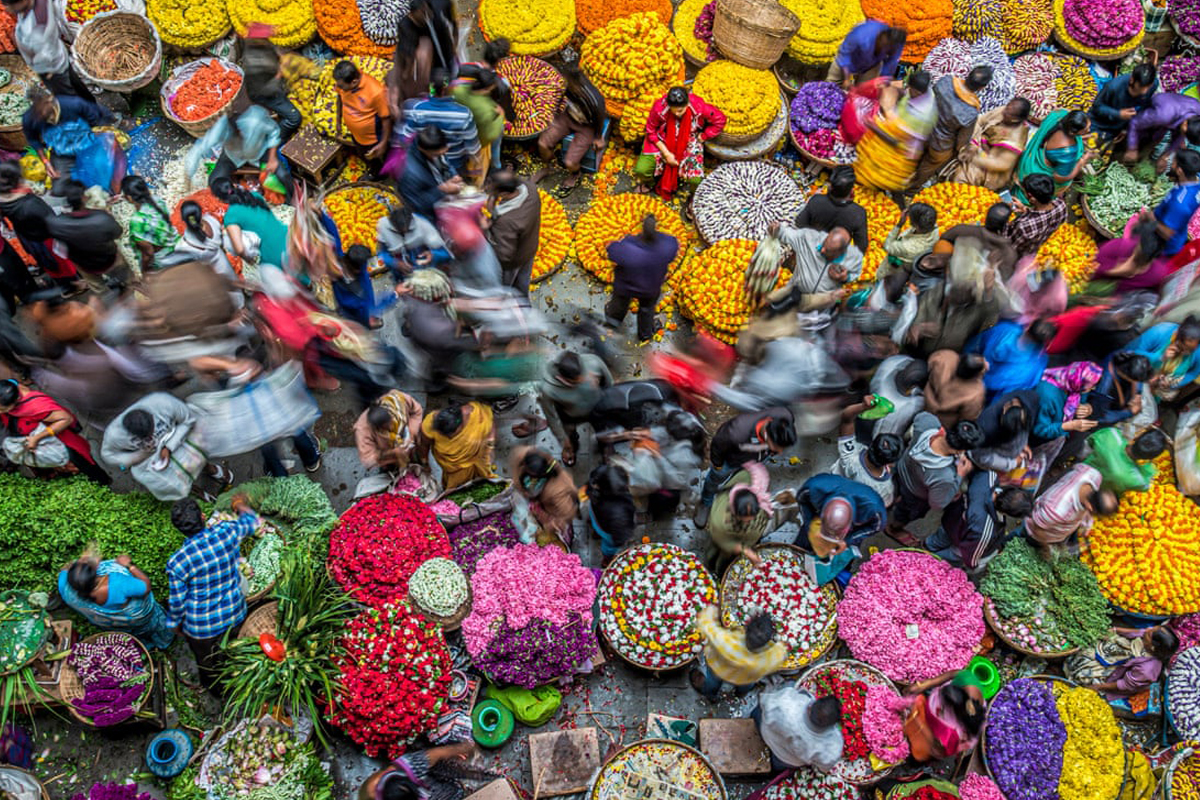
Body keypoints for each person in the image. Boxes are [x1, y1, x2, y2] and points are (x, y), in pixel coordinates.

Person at [165, 495, 257, 688]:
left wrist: (175, 625)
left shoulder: (178, 562)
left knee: (208, 663)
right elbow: (251, 522)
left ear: (179, 530)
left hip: (202, 629)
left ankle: (217, 689)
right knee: (237, 649)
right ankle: (243, 679)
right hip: (235, 614)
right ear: (203, 516)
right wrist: (238, 504)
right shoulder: (226, 533)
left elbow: (177, 603)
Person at [100, 392, 231, 501]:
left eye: (150, 433)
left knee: (197, 454)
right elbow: (108, 456)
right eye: (145, 437)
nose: (150, 438)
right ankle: (195, 490)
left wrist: (169, 447)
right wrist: (137, 457)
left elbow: (188, 420)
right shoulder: (114, 434)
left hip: (174, 438)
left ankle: (210, 469)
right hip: (148, 456)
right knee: (172, 481)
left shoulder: (162, 403)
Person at [889, 413, 983, 543]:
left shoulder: (927, 423)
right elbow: (937, 504)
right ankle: (894, 529)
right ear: (959, 451)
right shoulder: (945, 476)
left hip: (901, 467)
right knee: (904, 514)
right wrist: (960, 475)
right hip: (914, 495)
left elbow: (920, 416)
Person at [694, 407, 795, 528]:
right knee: (715, 480)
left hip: (757, 459)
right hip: (731, 462)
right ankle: (706, 502)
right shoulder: (737, 432)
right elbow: (718, 444)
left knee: (745, 478)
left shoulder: (785, 416)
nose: (780, 452)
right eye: (777, 447)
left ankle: (736, 488)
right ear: (767, 436)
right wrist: (718, 465)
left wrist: (769, 452)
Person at [0, 378, 108, 483]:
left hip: (58, 440)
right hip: (29, 434)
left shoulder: (36, 406)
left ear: (17, 400)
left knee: (80, 462)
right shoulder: (9, 386)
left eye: (2, 409)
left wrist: (37, 438)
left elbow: (66, 419)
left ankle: (101, 481)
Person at [58, 553, 172, 649]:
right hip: (139, 618)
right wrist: (129, 565)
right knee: (151, 625)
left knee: (132, 633)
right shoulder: (117, 584)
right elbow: (145, 587)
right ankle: (163, 642)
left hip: (115, 625)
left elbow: (64, 570)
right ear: (95, 574)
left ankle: (141, 644)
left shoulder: (67, 589)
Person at [926, 470, 1033, 571]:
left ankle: (927, 546)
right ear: (1008, 514)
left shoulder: (987, 478)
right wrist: (973, 566)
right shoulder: (985, 529)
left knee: (938, 539)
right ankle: (927, 560)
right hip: (960, 541)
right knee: (944, 557)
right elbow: (971, 553)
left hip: (950, 520)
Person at [855, 70, 939, 193]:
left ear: (917, 91)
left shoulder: (922, 115)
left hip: (900, 150)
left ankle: (876, 194)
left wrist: (872, 126)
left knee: (879, 177)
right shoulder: (925, 90)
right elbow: (902, 88)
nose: (908, 90)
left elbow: (895, 142)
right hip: (893, 132)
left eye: (910, 88)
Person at [636, 86, 726, 201]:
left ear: (687, 104)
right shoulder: (659, 108)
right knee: (642, 170)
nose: (677, 114)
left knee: (696, 180)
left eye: (680, 111)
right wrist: (667, 154)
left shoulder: (698, 106)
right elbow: (651, 130)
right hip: (662, 139)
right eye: (673, 111)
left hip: (689, 141)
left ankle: (694, 199)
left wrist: (704, 135)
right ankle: (650, 183)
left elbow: (720, 119)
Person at [766, 225, 862, 331]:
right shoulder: (808, 239)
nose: (823, 250)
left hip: (822, 313)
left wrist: (845, 277)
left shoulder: (853, 257)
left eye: (828, 250)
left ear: (841, 251)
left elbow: (856, 275)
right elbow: (786, 234)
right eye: (824, 245)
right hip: (795, 301)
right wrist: (777, 229)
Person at [911, 66, 993, 188]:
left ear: (968, 74)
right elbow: (961, 142)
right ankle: (911, 189)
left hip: (922, 128)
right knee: (927, 167)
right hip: (940, 145)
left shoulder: (946, 81)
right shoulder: (971, 111)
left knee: (913, 157)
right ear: (982, 88)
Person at [1, 0, 96, 104]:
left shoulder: (30, 30)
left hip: (51, 68)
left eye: (9, 5)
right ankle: (92, 104)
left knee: (66, 92)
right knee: (76, 83)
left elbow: (42, 55)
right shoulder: (40, 4)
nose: (7, 9)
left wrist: (48, 73)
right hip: (60, 55)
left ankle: (86, 111)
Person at [189, 105, 290, 202]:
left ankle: (289, 202)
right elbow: (200, 147)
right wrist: (189, 173)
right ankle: (233, 202)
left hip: (259, 153)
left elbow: (274, 133)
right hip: (232, 157)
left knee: (283, 176)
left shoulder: (255, 120)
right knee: (214, 181)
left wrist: (272, 159)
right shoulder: (220, 130)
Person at [604, 214, 678, 342]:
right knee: (646, 310)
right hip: (650, 289)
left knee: (619, 304)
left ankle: (613, 321)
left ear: (642, 230)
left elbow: (611, 251)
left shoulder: (628, 248)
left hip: (625, 286)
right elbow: (673, 250)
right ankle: (645, 334)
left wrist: (617, 242)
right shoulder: (667, 245)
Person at [689, 605, 787, 700]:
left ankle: (711, 696)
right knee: (746, 686)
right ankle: (740, 694)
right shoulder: (773, 657)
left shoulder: (727, 642)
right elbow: (782, 651)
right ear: (769, 641)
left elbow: (706, 624)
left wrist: (712, 609)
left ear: (746, 628)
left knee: (712, 683)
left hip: (719, 670)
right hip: (746, 678)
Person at [21, 85, 111, 188]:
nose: (38, 114)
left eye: (40, 109)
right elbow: (34, 141)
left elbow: (99, 115)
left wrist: (101, 135)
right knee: (60, 188)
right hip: (62, 152)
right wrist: (46, 162)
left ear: (49, 100)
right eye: (34, 110)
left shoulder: (73, 104)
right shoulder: (29, 118)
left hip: (88, 143)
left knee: (104, 174)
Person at [538, 64, 608, 193]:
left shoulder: (593, 98)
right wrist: (552, 113)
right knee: (543, 143)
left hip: (587, 126)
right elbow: (559, 100)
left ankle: (575, 175)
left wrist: (598, 137)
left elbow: (600, 115)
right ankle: (547, 166)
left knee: (570, 162)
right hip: (567, 116)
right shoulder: (566, 88)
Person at [395, 69, 481, 174]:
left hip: (426, 162)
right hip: (454, 162)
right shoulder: (464, 114)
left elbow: (404, 138)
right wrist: (477, 162)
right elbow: (472, 146)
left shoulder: (416, 109)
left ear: (431, 86)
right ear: (451, 88)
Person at [536, 351, 613, 466]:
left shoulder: (593, 362)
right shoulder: (548, 389)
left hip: (597, 409)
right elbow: (552, 417)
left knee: (603, 430)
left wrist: (599, 390)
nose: (584, 379)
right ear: (562, 379)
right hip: (570, 416)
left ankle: (605, 447)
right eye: (578, 380)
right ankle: (573, 446)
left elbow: (609, 385)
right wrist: (564, 441)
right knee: (570, 436)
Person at [44, 180, 123, 289]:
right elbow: (118, 233)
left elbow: (60, 252)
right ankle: (125, 287)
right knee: (124, 276)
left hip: (85, 266)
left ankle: (103, 292)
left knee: (98, 287)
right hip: (109, 260)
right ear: (84, 197)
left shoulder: (56, 223)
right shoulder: (101, 218)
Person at [1067, 626, 1179, 699]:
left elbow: (1124, 684)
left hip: (1116, 679)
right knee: (1088, 648)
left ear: (1152, 647)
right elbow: (1136, 632)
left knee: (1084, 674)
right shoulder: (1149, 637)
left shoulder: (1147, 670)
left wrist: (1098, 687)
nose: (1148, 630)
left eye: (1150, 634)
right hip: (1124, 655)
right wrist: (1114, 630)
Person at [0, 161, 67, 283]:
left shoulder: (5, 200)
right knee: (62, 263)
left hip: (29, 236)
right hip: (47, 237)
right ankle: (74, 285)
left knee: (49, 263)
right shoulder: (29, 205)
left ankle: (65, 283)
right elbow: (52, 220)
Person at [752, 685, 843, 772]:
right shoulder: (832, 747)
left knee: (758, 713)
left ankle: (751, 718)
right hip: (784, 759)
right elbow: (824, 767)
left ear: (810, 707)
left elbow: (765, 701)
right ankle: (773, 769)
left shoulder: (786, 703)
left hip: (766, 733)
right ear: (834, 725)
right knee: (778, 765)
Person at [1025, 462, 1118, 548]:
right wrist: (1045, 547)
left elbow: (1075, 467)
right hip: (1038, 534)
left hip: (1056, 525)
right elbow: (1036, 528)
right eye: (1096, 514)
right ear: (1089, 508)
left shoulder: (1092, 474)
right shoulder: (1056, 511)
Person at [389, 0, 459, 111]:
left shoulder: (442, 4)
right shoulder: (406, 26)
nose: (427, 16)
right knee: (437, 86)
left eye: (428, 12)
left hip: (447, 55)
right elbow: (408, 54)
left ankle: (450, 95)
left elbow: (453, 23)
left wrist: (454, 44)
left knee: (452, 80)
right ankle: (439, 101)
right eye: (423, 13)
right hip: (432, 65)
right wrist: (407, 74)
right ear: (413, 14)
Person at [903, 670, 986, 762]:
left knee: (918, 752)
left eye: (946, 707)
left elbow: (936, 748)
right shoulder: (968, 685)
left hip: (934, 733)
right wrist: (925, 684)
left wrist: (917, 722)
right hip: (929, 713)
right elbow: (954, 674)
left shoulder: (958, 736)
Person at [1014, 109, 1095, 202]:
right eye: (1085, 130)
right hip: (1038, 176)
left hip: (1031, 162)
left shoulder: (1059, 115)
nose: (1089, 130)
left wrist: (1081, 137)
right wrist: (1082, 161)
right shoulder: (1067, 151)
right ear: (1073, 132)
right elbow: (1060, 177)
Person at [706, 462, 773, 574]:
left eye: (752, 518)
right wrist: (745, 550)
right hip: (725, 539)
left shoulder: (754, 483)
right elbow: (723, 540)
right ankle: (716, 569)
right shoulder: (721, 518)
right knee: (720, 557)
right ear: (734, 510)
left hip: (745, 538)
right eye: (744, 519)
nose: (747, 522)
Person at [952, 97, 1032, 191]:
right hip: (979, 145)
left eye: (1008, 114)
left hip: (990, 167)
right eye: (1006, 107)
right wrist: (975, 142)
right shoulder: (1004, 111)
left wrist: (974, 158)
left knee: (960, 180)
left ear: (1014, 120)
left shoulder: (1015, 140)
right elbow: (980, 121)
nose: (1003, 112)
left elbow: (1000, 164)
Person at [966, 318, 1057, 398]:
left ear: (1028, 327)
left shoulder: (1004, 328)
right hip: (980, 396)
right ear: (1046, 343)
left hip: (966, 373)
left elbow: (973, 345)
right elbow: (1001, 400)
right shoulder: (1033, 369)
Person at [795, 472, 887, 551]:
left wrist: (847, 541)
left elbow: (875, 528)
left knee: (841, 560)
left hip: (851, 533)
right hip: (818, 520)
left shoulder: (875, 509)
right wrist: (810, 525)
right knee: (800, 547)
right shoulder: (813, 488)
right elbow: (802, 501)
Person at [483, 168, 540, 295]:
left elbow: (504, 255)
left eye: (490, 187)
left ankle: (510, 307)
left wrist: (485, 229)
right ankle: (524, 305)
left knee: (506, 290)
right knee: (523, 283)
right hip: (529, 248)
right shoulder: (530, 189)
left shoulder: (506, 221)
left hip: (513, 261)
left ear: (502, 194)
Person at [418, 401, 496, 491]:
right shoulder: (430, 423)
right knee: (456, 489)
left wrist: (489, 448)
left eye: (450, 433)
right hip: (454, 471)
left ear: (460, 424)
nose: (447, 437)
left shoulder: (478, 415)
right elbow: (423, 445)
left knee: (482, 479)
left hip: (478, 460)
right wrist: (425, 463)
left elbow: (490, 428)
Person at [511, 446, 578, 547]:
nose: (532, 481)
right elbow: (517, 478)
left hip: (553, 513)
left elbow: (568, 512)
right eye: (529, 475)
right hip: (538, 505)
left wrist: (551, 524)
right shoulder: (522, 457)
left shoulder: (560, 488)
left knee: (557, 539)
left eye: (535, 478)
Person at [357, 742, 473, 800]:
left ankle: (456, 791)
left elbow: (437, 753)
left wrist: (463, 748)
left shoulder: (407, 766)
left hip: (429, 782)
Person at [241, 30, 302, 142]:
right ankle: (278, 138)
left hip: (273, 82)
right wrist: (280, 74)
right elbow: (267, 90)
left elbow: (275, 50)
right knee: (295, 118)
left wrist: (281, 55)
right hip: (265, 93)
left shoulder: (261, 45)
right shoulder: (253, 63)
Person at [215, 180, 288, 269]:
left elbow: (240, 249)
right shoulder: (255, 195)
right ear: (234, 185)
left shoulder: (230, 216)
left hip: (273, 252)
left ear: (218, 199)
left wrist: (249, 261)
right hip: (286, 235)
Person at [795, 166, 869, 254]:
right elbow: (861, 247)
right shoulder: (858, 213)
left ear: (830, 187)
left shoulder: (816, 201)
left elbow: (799, 223)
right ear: (851, 191)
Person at [334, 60, 392, 165]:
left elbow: (386, 118)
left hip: (371, 138)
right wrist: (338, 121)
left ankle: (378, 175)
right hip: (356, 135)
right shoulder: (342, 85)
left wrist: (383, 143)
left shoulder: (376, 92)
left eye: (342, 86)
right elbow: (339, 98)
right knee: (363, 155)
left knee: (375, 159)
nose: (339, 88)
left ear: (354, 82)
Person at [399, 127, 464, 222]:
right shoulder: (409, 173)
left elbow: (446, 162)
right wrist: (442, 190)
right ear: (422, 149)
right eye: (436, 155)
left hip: (441, 199)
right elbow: (418, 204)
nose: (441, 155)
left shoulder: (434, 148)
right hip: (428, 215)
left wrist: (453, 175)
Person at [1145, 149, 1200, 258]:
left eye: (1173, 162)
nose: (1171, 163)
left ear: (1180, 171)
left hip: (1163, 245)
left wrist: (1151, 219)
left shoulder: (1180, 203)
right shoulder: (1196, 181)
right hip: (1178, 230)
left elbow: (1167, 233)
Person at [1033, 361, 1104, 444]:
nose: (1092, 389)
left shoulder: (1075, 382)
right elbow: (1040, 430)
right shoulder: (1047, 396)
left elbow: (1080, 401)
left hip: (1061, 431)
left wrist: (1087, 407)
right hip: (1043, 439)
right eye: (1091, 386)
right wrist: (1070, 426)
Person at [354, 389, 424, 473]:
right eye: (385, 429)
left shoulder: (397, 401)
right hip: (388, 457)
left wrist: (412, 434)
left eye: (390, 423)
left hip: (409, 444)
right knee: (393, 470)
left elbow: (417, 411)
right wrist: (391, 453)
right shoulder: (362, 430)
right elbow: (367, 460)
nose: (391, 428)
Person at [1123, 94, 1200, 169]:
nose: (1184, 136)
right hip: (1152, 112)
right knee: (1134, 138)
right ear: (1185, 124)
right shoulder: (1163, 116)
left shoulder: (1196, 116)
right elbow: (1134, 122)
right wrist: (1132, 149)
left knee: (1154, 140)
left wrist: (1165, 156)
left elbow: (1179, 134)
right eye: (1185, 134)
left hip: (1170, 114)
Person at [1084, 426, 1166, 495]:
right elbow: (1147, 485)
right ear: (1150, 458)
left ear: (1137, 436)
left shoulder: (1111, 434)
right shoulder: (1136, 479)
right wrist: (1149, 466)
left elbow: (1089, 441)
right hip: (1097, 495)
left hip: (1079, 473)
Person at [451, 70, 504, 179]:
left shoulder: (459, 90)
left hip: (460, 128)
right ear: (486, 89)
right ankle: (496, 166)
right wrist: (501, 115)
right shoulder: (485, 109)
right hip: (477, 136)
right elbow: (490, 134)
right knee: (497, 139)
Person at [121, 175, 179, 272]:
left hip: (163, 259)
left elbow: (148, 253)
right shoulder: (158, 201)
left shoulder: (137, 221)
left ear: (129, 198)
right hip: (176, 246)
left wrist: (144, 271)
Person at [332, 244, 397, 329]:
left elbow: (374, 263)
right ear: (356, 270)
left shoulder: (351, 261)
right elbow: (365, 307)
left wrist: (394, 263)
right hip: (358, 320)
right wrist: (395, 294)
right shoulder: (352, 291)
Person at [830, 431, 901, 507]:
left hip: (835, 484)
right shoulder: (885, 488)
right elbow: (883, 504)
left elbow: (846, 426)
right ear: (891, 464)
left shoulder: (851, 453)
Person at [376, 205, 451, 277]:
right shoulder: (383, 227)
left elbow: (446, 253)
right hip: (401, 276)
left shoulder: (422, 225)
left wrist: (433, 255)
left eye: (407, 230)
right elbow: (381, 254)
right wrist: (395, 263)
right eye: (399, 231)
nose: (404, 232)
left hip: (428, 273)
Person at [1091, 62, 1158, 141]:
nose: (1145, 91)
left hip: (1120, 125)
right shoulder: (1113, 87)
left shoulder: (1153, 85)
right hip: (1101, 122)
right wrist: (1118, 114)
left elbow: (1142, 107)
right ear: (1132, 80)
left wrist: (1127, 128)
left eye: (1148, 87)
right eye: (1141, 86)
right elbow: (1097, 107)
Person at [1006, 174, 1068, 258]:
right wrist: (1025, 209)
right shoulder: (1061, 205)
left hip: (1022, 253)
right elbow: (1043, 217)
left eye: (1024, 192)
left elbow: (1009, 246)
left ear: (1032, 199)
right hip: (1041, 244)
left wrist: (1005, 218)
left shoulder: (1023, 227)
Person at [827, 21, 906, 86]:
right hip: (846, 61)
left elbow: (891, 61)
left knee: (863, 92)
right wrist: (847, 78)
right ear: (882, 36)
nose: (886, 49)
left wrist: (884, 80)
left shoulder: (897, 43)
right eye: (885, 45)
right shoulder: (860, 35)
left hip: (871, 65)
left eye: (889, 48)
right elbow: (845, 55)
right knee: (831, 84)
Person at [866, 355, 927, 438]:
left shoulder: (890, 365)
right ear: (913, 387)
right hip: (873, 429)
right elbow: (881, 436)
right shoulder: (907, 407)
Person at [585, 463, 635, 565]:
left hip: (595, 516)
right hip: (607, 530)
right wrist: (620, 541)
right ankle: (607, 560)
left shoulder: (596, 483)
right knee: (609, 547)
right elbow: (620, 534)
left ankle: (595, 533)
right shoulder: (618, 509)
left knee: (596, 527)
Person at [1088, 351, 1153, 427]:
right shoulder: (1104, 389)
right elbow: (1099, 417)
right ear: (1128, 377)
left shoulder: (1124, 356)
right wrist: (1129, 412)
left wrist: (1137, 393)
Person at [923, 351, 987, 428]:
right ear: (976, 374)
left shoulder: (944, 357)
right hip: (941, 421)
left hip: (926, 399)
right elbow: (968, 417)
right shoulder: (975, 393)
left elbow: (930, 363)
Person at [882, 202, 939, 274]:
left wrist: (899, 224)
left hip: (896, 272)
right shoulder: (933, 227)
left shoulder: (908, 246)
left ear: (916, 226)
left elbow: (887, 245)